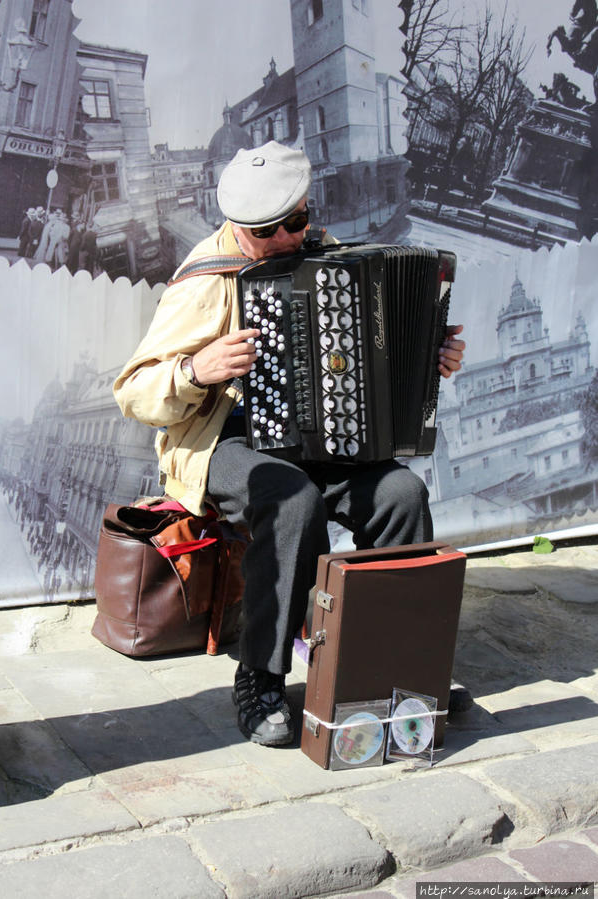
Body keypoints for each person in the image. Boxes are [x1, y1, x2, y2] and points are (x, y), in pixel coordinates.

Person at [114, 141, 465, 747]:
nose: (283, 239)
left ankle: (398, 665)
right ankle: (260, 675)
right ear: (236, 226)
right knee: (291, 498)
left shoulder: (328, 257)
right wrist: (198, 369)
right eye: (263, 231)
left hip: (317, 442)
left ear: (308, 208)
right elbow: (135, 392)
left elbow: (372, 358)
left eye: (295, 222)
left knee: (402, 493)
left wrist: (432, 354)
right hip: (221, 444)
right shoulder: (205, 279)